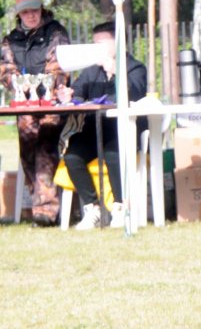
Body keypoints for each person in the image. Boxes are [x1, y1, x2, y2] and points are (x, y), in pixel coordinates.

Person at [55, 21, 147, 230]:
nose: (96, 47)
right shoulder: (91, 71)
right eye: (94, 42)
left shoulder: (135, 67)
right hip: (95, 129)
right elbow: (78, 91)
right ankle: (92, 208)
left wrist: (115, 72)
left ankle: (120, 207)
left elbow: (136, 92)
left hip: (124, 129)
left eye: (101, 43)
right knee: (72, 156)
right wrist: (68, 95)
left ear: (118, 43)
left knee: (113, 155)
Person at [0, 0, 70, 226]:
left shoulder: (56, 33)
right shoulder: (10, 40)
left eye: (35, 10)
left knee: (46, 144)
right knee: (27, 143)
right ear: (19, 14)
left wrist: (43, 90)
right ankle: (41, 201)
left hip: (52, 103)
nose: (31, 15)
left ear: (42, 9)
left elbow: (59, 66)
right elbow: (6, 69)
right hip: (25, 106)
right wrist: (21, 85)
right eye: (26, 12)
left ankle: (47, 210)